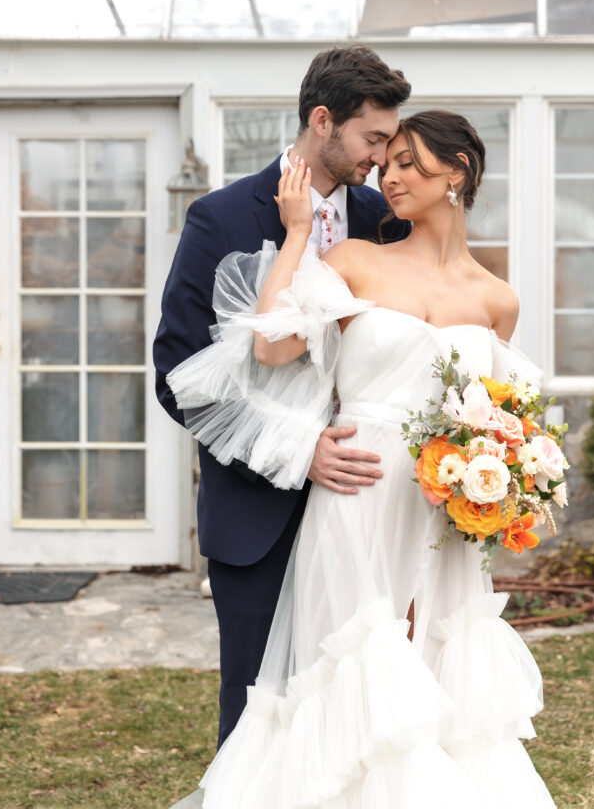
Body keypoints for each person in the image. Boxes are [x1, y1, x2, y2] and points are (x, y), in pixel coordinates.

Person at [166, 110, 556, 809]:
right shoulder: (353, 260)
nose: (389, 173)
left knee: (435, 676)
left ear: (457, 174)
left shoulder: (497, 300)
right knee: (352, 673)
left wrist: (500, 477)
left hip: (439, 513)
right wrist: (292, 236)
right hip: (355, 495)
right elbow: (271, 348)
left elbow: (497, 412)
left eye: (408, 161)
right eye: (387, 159)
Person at [153, 45, 411, 749]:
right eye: (373, 139)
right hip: (256, 514)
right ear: (322, 120)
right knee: (258, 712)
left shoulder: (387, 220)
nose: (384, 160)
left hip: (368, 509)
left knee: (356, 704)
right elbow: (177, 376)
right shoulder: (220, 217)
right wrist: (300, 452)